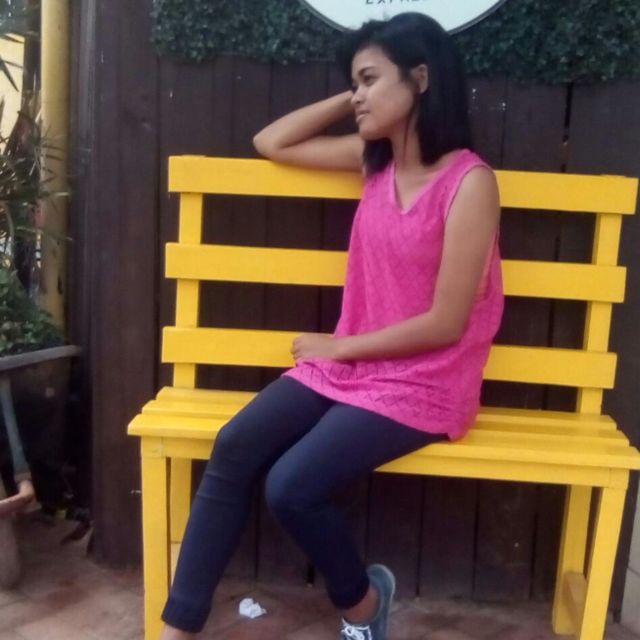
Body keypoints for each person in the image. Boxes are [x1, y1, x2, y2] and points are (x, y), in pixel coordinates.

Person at [159, 11, 504, 640]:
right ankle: (178, 630)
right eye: (354, 83)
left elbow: (447, 323)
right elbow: (271, 142)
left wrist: (340, 345)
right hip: (351, 368)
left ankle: (364, 605)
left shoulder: (469, 183)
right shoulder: (373, 163)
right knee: (235, 446)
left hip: (424, 380)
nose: (358, 95)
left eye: (370, 79)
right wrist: (357, 99)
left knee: (292, 486)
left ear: (421, 77)